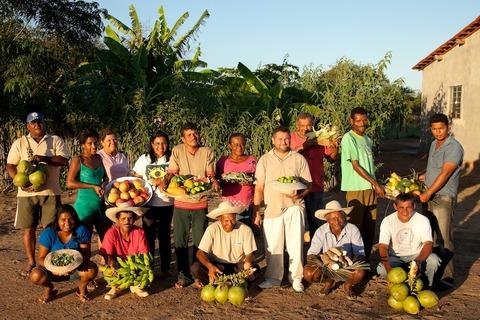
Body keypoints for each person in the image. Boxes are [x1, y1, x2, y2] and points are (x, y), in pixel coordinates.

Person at [6, 112, 69, 277]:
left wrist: (43, 158)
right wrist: (21, 182)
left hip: (51, 191)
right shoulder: (19, 143)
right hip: (25, 194)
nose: (37, 125)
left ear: (43, 123)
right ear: (28, 126)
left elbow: (64, 160)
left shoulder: (55, 140)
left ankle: (49, 261)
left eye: (39, 122)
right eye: (33, 123)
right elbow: (11, 166)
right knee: (28, 229)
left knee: (51, 228)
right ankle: (31, 263)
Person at [253, 126, 312, 292]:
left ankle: (296, 277)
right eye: (279, 139)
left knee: (296, 244)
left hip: (294, 206)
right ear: (273, 140)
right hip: (272, 207)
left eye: (286, 139)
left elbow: (309, 184)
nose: (283, 142)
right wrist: (256, 210)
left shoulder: (298, 159)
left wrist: (301, 195)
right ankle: (273, 278)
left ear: (290, 140)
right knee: (273, 246)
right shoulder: (264, 159)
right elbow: (259, 187)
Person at [166, 122, 221, 288]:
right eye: (188, 135)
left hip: (200, 202)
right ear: (183, 138)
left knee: (200, 240)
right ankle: (183, 275)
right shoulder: (177, 151)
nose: (193, 137)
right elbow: (172, 173)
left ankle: (198, 274)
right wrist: (164, 181)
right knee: (181, 241)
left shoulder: (207, 152)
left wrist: (215, 181)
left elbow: (210, 175)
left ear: (200, 135)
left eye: (195, 133)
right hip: (181, 202)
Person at [418, 113, 463, 286]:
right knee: (430, 235)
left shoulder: (454, 147)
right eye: (435, 129)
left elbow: (445, 173)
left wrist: (428, 193)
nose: (438, 132)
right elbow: (435, 170)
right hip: (429, 194)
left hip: (443, 196)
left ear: (448, 127)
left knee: (444, 237)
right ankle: (433, 271)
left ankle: (447, 276)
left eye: (441, 128)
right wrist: (424, 177)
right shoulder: (433, 144)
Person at [29, 204, 98, 303]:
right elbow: (41, 258)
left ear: (75, 219)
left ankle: (82, 289)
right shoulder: (49, 233)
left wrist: (73, 266)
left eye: (70, 219)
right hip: (52, 270)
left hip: (75, 268)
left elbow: (86, 253)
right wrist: (53, 268)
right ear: (57, 220)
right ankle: (49, 288)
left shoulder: (81, 230)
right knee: (35, 275)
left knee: (92, 269)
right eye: (63, 220)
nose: (67, 223)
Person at [340, 107, 384, 257]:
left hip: (369, 187)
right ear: (351, 121)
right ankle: (354, 260)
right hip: (356, 188)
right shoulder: (349, 138)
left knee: (370, 225)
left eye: (364, 120)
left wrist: (375, 183)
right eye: (358, 120)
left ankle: (364, 259)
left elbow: (367, 165)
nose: (362, 123)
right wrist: (375, 183)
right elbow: (356, 165)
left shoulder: (366, 139)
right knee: (355, 226)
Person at [304, 200, 366, 299]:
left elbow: (360, 253)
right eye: (333, 218)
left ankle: (347, 285)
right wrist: (325, 264)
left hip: (347, 267)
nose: (337, 221)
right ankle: (329, 282)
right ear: (327, 220)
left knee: (360, 272)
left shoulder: (352, 229)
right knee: (308, 274)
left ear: (344, 217)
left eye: (339, 217)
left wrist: (349, 263)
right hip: (327, 267)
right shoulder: (320, 231)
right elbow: (311, 255)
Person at [290, 112, 338, 239]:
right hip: (296, 186)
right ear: (297, 125)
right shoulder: (290, 138)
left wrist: (335, 147)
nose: (306, 128)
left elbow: (332, 159)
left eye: (309, 125)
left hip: (315, 186)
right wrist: (303, 146)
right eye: (303, 125)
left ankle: (315, 251)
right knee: (295, 221)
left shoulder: (319, 138)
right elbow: (287, 157)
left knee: (316, 220)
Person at [376, 193, 441, 287]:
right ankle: (401, 285)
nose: (405, 211)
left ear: (414, 206)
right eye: (401, 207)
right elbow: (383, 246)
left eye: (408, 207)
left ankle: (426, 286)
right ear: (395, 206)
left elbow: (428, 244)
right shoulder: (387, 221)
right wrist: (389, 270)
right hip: (395, 257)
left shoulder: (422, 220)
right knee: (382, 270)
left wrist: (418, 262)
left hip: (417, 255)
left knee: (434, 260)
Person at [132, 131, 174, 276]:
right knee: (148, 238)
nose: (160, 146)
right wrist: (150, 183)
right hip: (148, 205)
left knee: (165, 237)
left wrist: (166, 180)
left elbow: (177, 176)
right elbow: (136, 178)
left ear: (168, 144)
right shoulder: (144, 159)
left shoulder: (173, 158)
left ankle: (165, 268)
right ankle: (148, 267)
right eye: (157, 143)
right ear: (152, 144)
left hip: (167, 204)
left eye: (163, 143)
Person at [191, 201, 257, 287]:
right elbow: (200, 253)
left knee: (255, 268)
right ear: (219, 219)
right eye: (226, 220)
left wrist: (248, 261)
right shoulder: (212, 229)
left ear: (236, 217)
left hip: (237, 266)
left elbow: (249, 253)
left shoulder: (245, 230)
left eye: (232, 220)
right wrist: (210, 267)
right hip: (217, 266)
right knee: (195, 268)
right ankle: (229, 282)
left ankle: (221, 282)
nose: (230, 224)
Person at [66, 129, 111, 241]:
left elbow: (105, 177)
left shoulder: (98, 158)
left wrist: (104, 183)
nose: (94, 146)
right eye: (89, 144)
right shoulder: (78, 160)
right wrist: (92, 186)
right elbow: (69, 183)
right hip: (84, 208)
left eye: (95, 143)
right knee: (84, 242)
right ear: (82, 145)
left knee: (107, 240)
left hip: (100, 205)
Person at [100, 206, 149, 300]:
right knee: (103, 263)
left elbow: (144, 253)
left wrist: (143, 267)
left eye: (130, 218)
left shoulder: (139, 232)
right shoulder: (111, 233)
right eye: (123, 219)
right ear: (118, 220)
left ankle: (136, 285)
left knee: (145, 266)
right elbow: (107, 254)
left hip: (135, 264)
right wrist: (111, 263)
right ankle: (115, 287)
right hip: (117, 264)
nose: (127, 221)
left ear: (134, 220)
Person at [216, 133, 257, 226]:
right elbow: (217, 180)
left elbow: (258, 182)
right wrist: (223, 181)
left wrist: (250, 181)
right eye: (236, 145)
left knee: (245, 231)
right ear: (230, 145)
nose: (239, 147)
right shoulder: (223, 161)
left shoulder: (252, 161)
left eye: (242, 144)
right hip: (228, 205)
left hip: (247, 204)